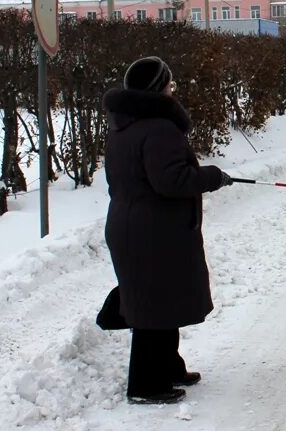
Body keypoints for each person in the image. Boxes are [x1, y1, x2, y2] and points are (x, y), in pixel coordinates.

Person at [102, 56, 234, 405]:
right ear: (157, 89)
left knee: (160, 298)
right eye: (169, 84)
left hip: (135, 225)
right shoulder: (159, 127)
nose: (173, 89)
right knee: (152, 307)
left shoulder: (124, 127)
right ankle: (146, 385)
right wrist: (212, 176)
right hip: (151, 230)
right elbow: (171, 181)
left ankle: (169, 367)